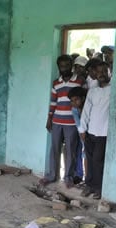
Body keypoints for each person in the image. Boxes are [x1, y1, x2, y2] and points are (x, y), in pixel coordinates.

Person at [41, 55, 85, 187]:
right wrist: (49, 119)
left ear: (71, 66)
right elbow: (53, 102)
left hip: (72, 123)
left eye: (67, 66)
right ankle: (52, 175)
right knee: (54, 149)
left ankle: (68, 177)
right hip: (57, 121)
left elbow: (83, 103)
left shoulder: (79, 81)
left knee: (71, 151)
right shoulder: (56, 83)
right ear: (58, 67)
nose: (64, 68)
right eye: (61, 66)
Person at [78, 61, 111, 200]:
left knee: (98, 160)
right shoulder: (92, 91)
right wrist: (82, 129)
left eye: (104, 71)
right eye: (98, 72)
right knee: (90, 159)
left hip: (104, 132)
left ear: (109, 72)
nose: (101, 74)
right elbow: (86, 111)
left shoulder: (113, 89)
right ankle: (89, 185)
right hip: (91, 131)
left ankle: (99, 188)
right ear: (95, 74)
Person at [68, 86, 88, 184]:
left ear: (83, 98)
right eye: (72, 101)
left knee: (88, 155)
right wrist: (83, 137)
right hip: (82, 133)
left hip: (92, 132)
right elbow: (78, 124)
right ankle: (80, 175)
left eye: (76, 100)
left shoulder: (88, 107)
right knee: (82, 152)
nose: (74, 103)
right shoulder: (74, 110)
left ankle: (89, 179)